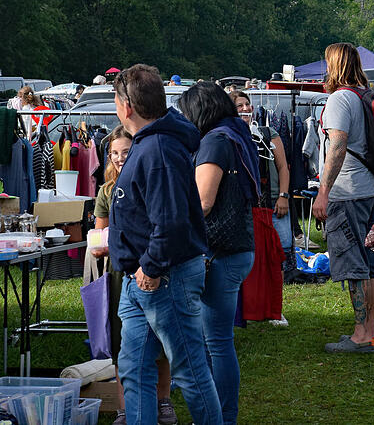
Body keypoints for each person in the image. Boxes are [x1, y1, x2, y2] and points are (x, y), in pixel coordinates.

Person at [108, 64, 223, 425]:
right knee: (134, 367)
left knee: (188, 368)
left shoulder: (156, 148)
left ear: (126, 106)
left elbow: (170, 220)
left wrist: (153, 266)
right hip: (144, 277)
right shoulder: (151, 144)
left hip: (162, 276)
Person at [179, 82, 259, 425]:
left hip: (221, 252)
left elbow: (204, 201)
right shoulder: (236, 132)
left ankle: (222, 417)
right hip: (237, 248)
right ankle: (221, 414)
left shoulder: (214, 140)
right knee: (218, 340)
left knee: (216, 341)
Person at [91, 126, 177, 425]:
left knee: (160, 338)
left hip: (153, 268)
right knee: (122, 343)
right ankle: (126, 406)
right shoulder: (106, 191)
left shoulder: (150, 180)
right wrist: (100, 245)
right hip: (120, 273)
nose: (118, 158)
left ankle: (163, 400)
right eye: (114, 153)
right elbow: (100, 233)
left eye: (125, 151)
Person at [313, 43, 374, 353]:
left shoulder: (340, 99)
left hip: (349, 192)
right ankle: (368, 331)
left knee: (354, 264)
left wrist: (324, 192)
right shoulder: (364, 95)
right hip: (373, 190)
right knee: (370, 265)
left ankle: (360, 335)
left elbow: (338, 147)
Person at [230, 91, 292, 257]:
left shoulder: (267, 133)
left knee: (282, 249)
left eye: (247, 104)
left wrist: (283, 195)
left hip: (273, 201)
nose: (245, 109)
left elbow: (283, 167)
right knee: (254, 253)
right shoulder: (229, 137)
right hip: (247, 205)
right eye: (239, 106)